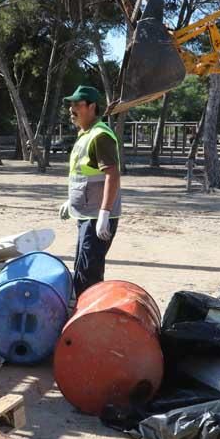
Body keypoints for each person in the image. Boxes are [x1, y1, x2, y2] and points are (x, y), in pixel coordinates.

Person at [58, 85, 121, 298]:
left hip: (97, 217)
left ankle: (88, 322)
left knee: (88, 274)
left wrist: (105, 213)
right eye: (70, 104)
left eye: (77, 104)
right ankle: (83, 315)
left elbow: (112, 174)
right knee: (82, 267)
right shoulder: (86, 133)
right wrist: (71, 200)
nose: (71, 109)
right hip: (86, 214)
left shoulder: (100, 136)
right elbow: (85, 174)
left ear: (92, 106)